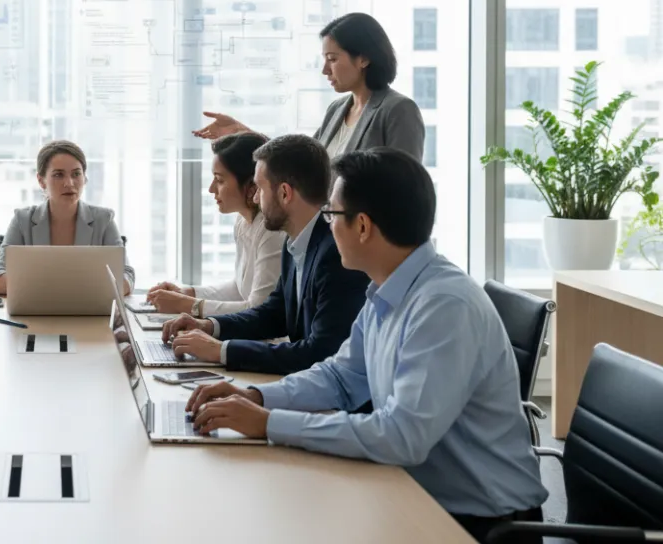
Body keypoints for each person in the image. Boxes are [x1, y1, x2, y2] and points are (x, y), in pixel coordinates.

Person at [187, 148, 548, 541]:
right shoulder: (386, 288)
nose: (326, 226)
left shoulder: (443, 305)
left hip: (477, 522)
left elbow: (401, 437)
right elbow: (342, 376)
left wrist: (270, 424)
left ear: (362, 227)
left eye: (332, 215)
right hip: (414, 491)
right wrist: (257, 398)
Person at [161, 134, 369, 374]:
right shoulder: (295, 242)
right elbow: (273, 313)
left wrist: (220, 350)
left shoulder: (335, 254)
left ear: (284, 193)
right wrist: (208, 326)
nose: (256, 198)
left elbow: (318, 352)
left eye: (260, 188)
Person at [194, 13, 424, 160]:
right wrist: (244, 133)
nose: (325, 69)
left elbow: (405, 185)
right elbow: (305, 163)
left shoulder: (398, 110)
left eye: (332, 59)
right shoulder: (337, 109)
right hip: (333, 232)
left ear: (363, 59)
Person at [145, 132, 284, 316]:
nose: (211, 189)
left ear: (251, 185)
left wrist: (187, 305)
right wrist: (186, 293)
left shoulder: (272, 232)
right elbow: (238, 289)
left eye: (219, 180)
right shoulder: (243, 221)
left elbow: (257, 309)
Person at [0, 140, 134, 296]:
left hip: (89, 313)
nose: (69, 183)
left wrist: (42, 284)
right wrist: (62, 287)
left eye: (76, 174)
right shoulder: (22, 220)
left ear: (84, 178)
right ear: (41, 181)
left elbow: (127, 275)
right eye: (58, 175)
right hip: (34, 314)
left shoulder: (104, 220)